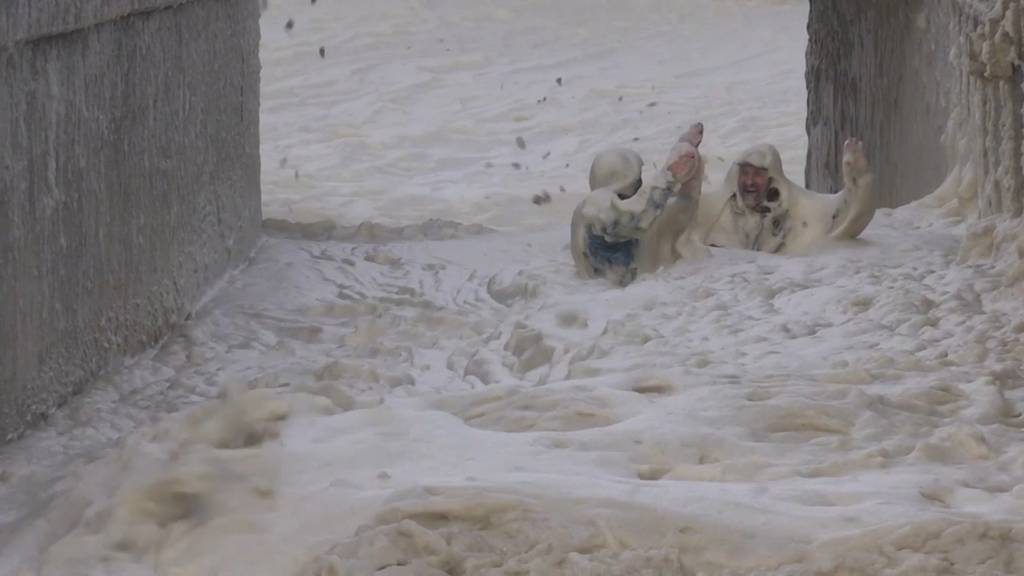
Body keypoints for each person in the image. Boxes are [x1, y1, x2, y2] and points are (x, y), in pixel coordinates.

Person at [570, 122, 705, 286]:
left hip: (621, 300)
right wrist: (668, 176)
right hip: (604, 303)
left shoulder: (619, 214)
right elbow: (637, 219)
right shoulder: (594, 205)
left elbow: (680, 213)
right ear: (624, 180)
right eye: (637, 179)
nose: (640, 185)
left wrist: (689, 164)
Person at [695, 138, 874, 255]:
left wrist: (857, 180)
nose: (749, 181)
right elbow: (676, 218)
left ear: (771, 177)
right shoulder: (717, 209)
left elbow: (845, 219)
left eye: (758, 174)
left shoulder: (796, 207)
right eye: (745, 173)